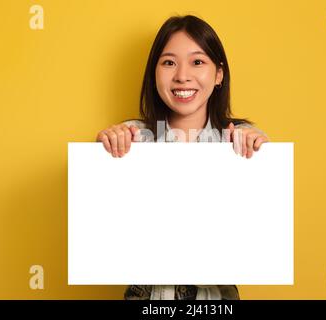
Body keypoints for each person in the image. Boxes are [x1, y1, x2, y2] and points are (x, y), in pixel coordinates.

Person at [96, 15, 269, 300]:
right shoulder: (133, 139)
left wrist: (260, 150)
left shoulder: (239, 140)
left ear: (219, 74)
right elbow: (104, 214)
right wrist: (107, 146)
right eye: (169, 62)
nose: (182, 76)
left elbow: (260, 220)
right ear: (154, 72)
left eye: (197, 62)